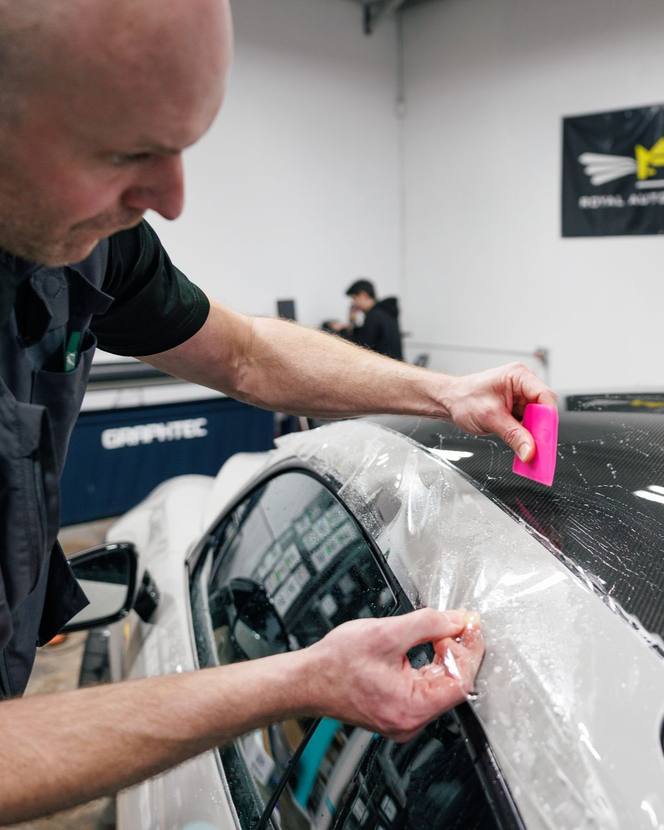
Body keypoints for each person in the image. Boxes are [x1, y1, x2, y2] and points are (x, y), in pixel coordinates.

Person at [0, 0, 557, 822]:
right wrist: (301, 680)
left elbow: (244, 354)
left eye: (183, 147)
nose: (170, 198)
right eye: (127, 151)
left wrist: (442, 392)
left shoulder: (89, 241)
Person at [330, 278, 403, 360]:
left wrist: (341, 331)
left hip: (386, 367)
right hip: (395, 364)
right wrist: (352, 322)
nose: (354, 303)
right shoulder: (384, 311)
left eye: (354, 298)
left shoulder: (375, 315)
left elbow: (361, 345)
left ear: (363, 295)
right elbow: (368, 334)